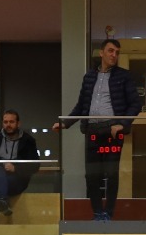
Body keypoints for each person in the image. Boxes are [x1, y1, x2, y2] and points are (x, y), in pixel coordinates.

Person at [52, 38, 141, 221]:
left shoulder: (123, 76)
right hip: (92, 130)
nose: (114, 55)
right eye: (110, 51)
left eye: (117, 52)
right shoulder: (89, 77)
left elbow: (135, 104)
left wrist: (122, 124)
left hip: (112, 131)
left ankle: (108, 213)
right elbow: (81, 105)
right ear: (101, 53)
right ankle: (97, 213)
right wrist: (66, 123)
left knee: (111, 173)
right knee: (92, 174)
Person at [0, 110, 39, 225]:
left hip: (17, 180)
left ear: (18, 123)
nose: (8, 125)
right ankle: (3, 201)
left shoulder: (28, 140)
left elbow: (35, 165)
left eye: (11, 122)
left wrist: (15, 169)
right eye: (5, 122)